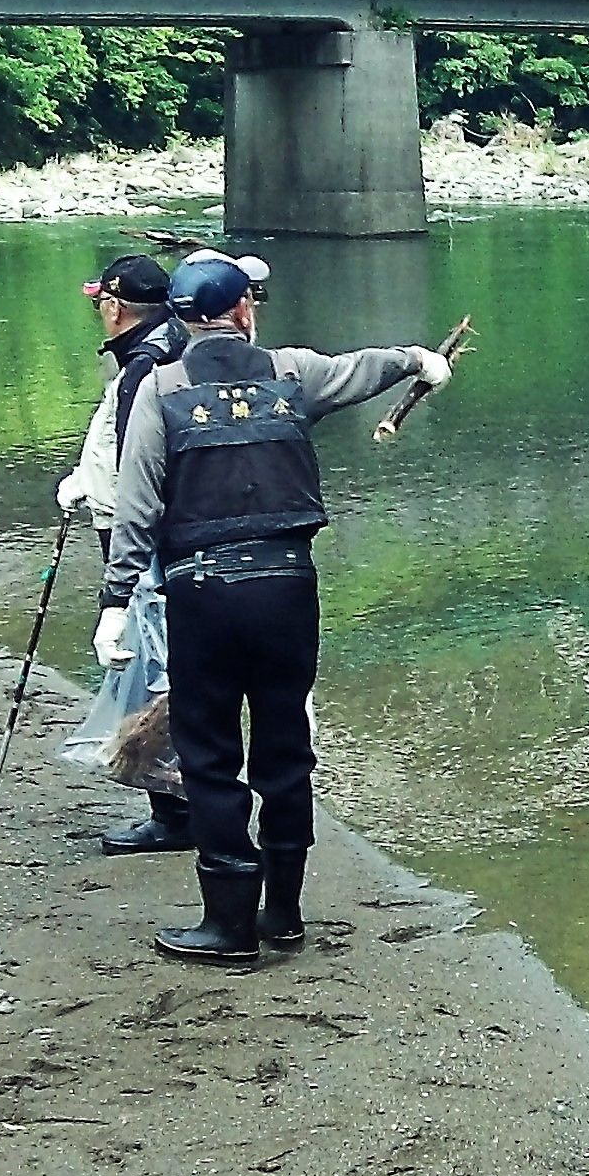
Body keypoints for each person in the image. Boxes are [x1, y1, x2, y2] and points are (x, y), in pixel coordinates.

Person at [99, 255, 448, 964]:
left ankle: (229, 922)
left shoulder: (161, 387)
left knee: (210, 754)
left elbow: (137, 503)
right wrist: (419, 360)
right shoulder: (291, 372)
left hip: (202, 594)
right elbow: (362, 368)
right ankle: (283, 913)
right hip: (288, 588)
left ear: (181, 319)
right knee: (285, 749)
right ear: (244, 311)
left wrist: (115, 600)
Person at [59, 254, 193, 854]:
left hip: (146, 548)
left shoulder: (144, 365)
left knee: (156, 673)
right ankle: (183, 803)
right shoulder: (177, 343)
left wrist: (125, 573)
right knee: (162, 670)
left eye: (100, 304)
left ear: (115, 307)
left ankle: (175, 812)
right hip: (159, 542)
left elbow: (140, 470)